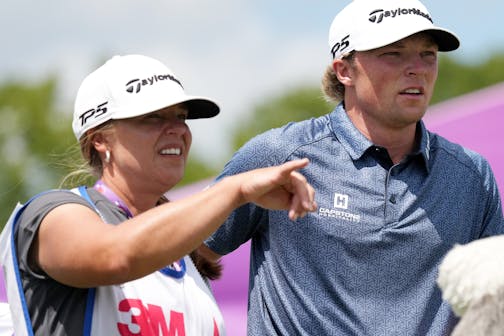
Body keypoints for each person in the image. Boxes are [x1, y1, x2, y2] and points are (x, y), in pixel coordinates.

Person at [198, 0, 504, 334]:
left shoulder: (471, 176)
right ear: (345, 70)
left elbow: (493, 300)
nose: (418, 68)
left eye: (428, 54)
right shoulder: (280, 155)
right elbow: (185, 253)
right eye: (394, 54)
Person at [0, 54, 317, 335]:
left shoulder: (187, 259)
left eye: (180, 116)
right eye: (152, 117)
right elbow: (114, 255)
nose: (177, 129)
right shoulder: (53, 212)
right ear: (100, 140)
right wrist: (235, 189)